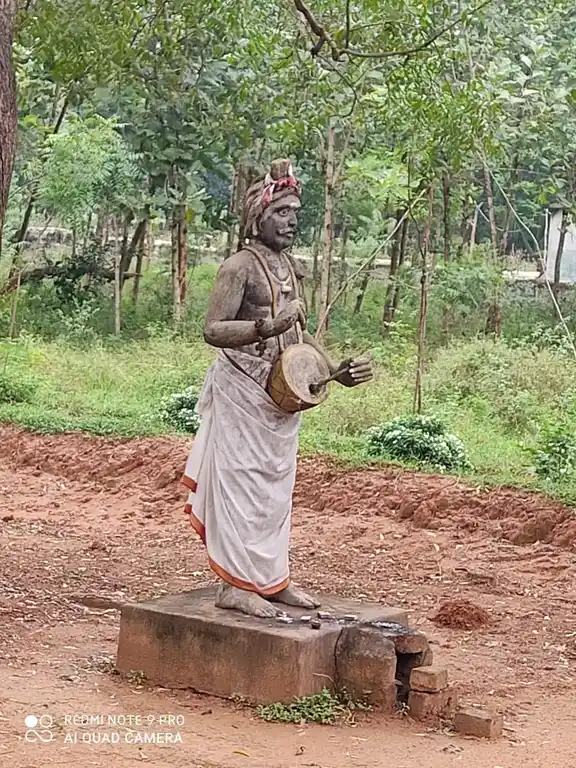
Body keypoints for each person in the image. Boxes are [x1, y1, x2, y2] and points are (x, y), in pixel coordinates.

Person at [182, 159, 373, 618]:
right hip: (242, 390)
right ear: (258, 217)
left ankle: (271, 579)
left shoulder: (289, 267)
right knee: (240, 484)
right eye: (282, 212)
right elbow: (212, 329)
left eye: (295, 214)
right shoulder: (238, 267)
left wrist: (334, 370)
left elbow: (299, 335)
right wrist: (266, 326)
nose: (291, 222)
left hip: (279, 397)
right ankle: (234, 585)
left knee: (274, 491)